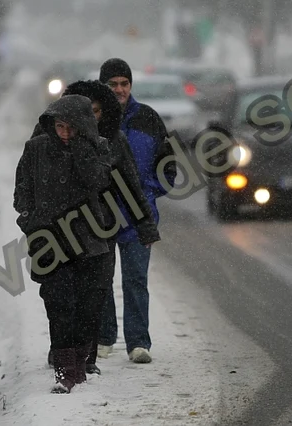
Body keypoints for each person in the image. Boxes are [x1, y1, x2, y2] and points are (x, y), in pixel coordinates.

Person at [30, 80, 161, 375]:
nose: (90, 117)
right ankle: (62, 350)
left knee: (93, 295)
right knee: (58, 295)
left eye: (96, 111)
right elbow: (29, 177)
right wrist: (31, 220)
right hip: (54, 231)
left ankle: (85, 356)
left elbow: (129, 183)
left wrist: (145, 227)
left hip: (98, 229)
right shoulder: (46, 136)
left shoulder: (111, 140)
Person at [13, 95, 111, 393]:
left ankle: (80, 364)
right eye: (59, 127)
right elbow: (22, 192)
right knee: (58, 304)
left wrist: (82, 149)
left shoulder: (99, 148)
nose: (64, 133)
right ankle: (65, 372)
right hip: (50, 242)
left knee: (87, 306)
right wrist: (30, 222)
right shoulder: (36, 149)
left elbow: (98, 181)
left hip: (89, 241)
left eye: (71, 127)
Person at [96, 58, 177, 364]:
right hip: (100, 217)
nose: (119, 90)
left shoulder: (148, 118)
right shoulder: (93, 119)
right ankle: (104, 339)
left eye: (124, 83)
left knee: (135, 280)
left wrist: (148, 192)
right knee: (101, 281)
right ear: (103, 86)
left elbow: (168, 166)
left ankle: (138, 343)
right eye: (113, 84)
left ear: (131, 85)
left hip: (138, 217)